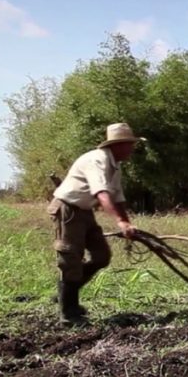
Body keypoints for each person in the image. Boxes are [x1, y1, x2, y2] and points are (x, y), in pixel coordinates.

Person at [47, 122, 142, 326]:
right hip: (68, 209)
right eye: (129, 144)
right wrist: (119, 222)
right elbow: (101, 193)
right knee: (71, 257)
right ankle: (69, 313)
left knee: (101, 256)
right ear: (118, 145)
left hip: (85, 211)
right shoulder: (97, 160)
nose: (132, 149)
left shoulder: (115, 165)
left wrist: (126, 221)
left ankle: (65, 296)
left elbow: (118, 198)